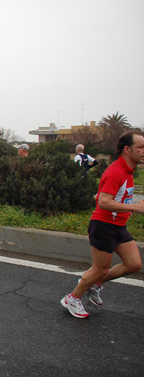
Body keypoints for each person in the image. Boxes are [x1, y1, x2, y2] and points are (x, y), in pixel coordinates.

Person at [61, 131, 144, 319]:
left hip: (118, 226)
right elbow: (103, 202)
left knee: (133, 264)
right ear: (127, 149)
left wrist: (127, 208)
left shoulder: (128, 170)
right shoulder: (116, 171)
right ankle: (72, 298)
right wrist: (134, 208)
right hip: (104, 225)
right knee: (100, 269)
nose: (143, 151)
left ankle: (94, 284)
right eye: (140, 147)